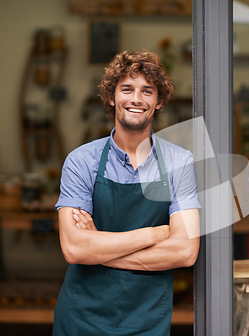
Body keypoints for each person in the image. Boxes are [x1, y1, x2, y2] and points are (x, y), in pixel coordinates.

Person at [53, 49, 200, 336]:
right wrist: (155, 234)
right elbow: (73, 248)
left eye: (147, 90)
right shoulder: (81, 161)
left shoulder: (179, 162)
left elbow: (185, 251)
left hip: (147, 319)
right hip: (82, 317)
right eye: (127, 89)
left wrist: (97, 249)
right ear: (111, 97)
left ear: (158, 102)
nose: (136, 99)